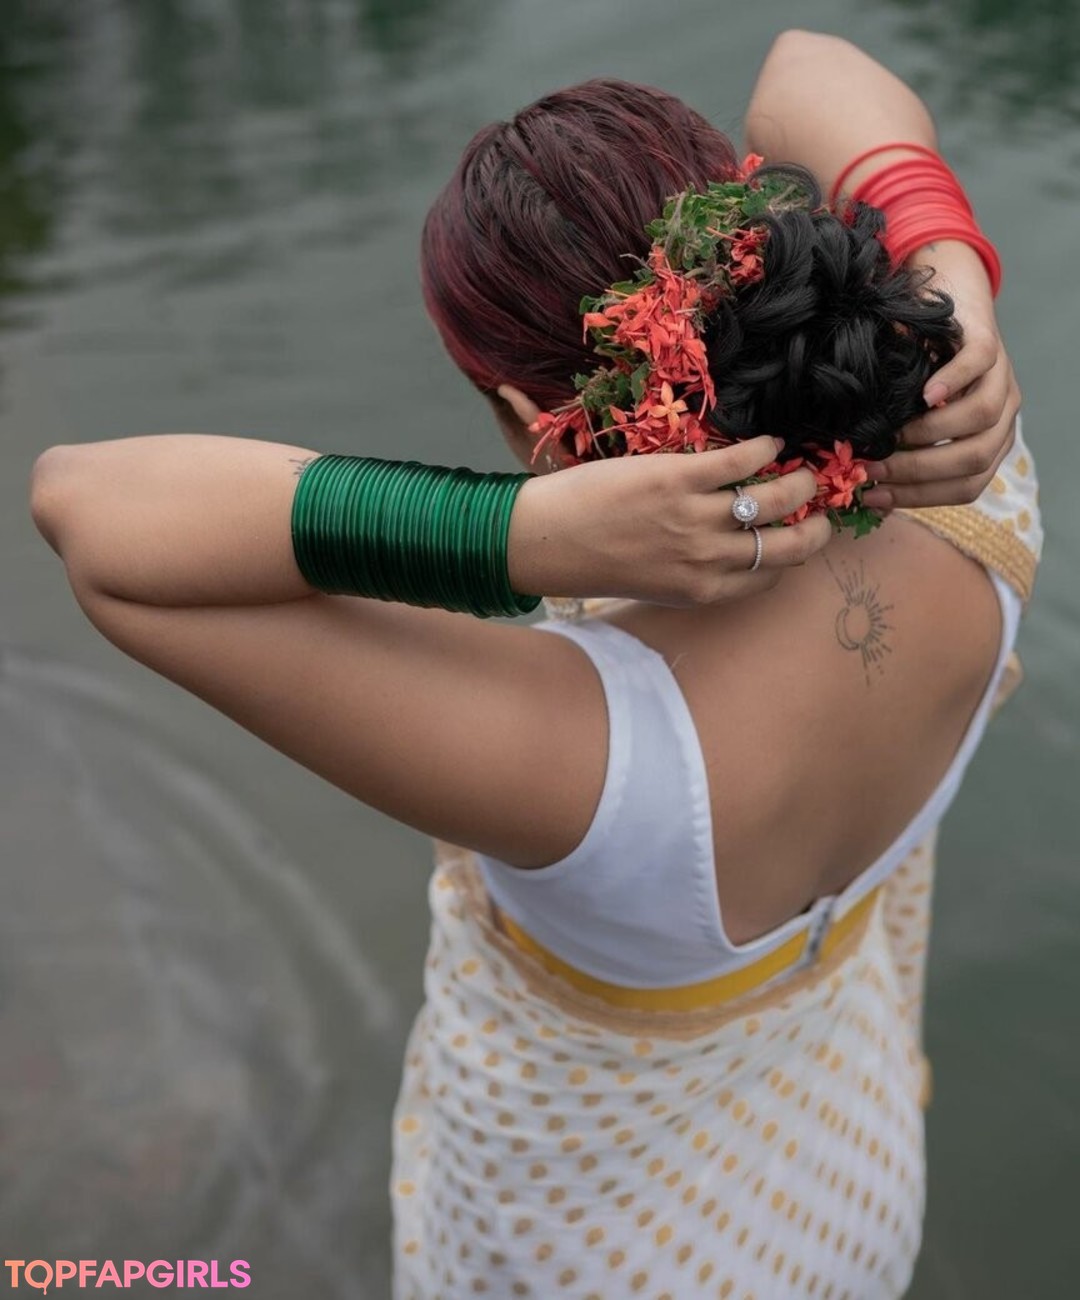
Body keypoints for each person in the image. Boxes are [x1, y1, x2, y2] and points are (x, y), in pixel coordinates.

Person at [29, 30, 1039, 1300]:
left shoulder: (589, 750)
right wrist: (953, 283)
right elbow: (807, 66)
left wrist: (514, 536)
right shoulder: (976, 478)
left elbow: (87, 512)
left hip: (592, 1257)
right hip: (851, 1169)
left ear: (525, 421)